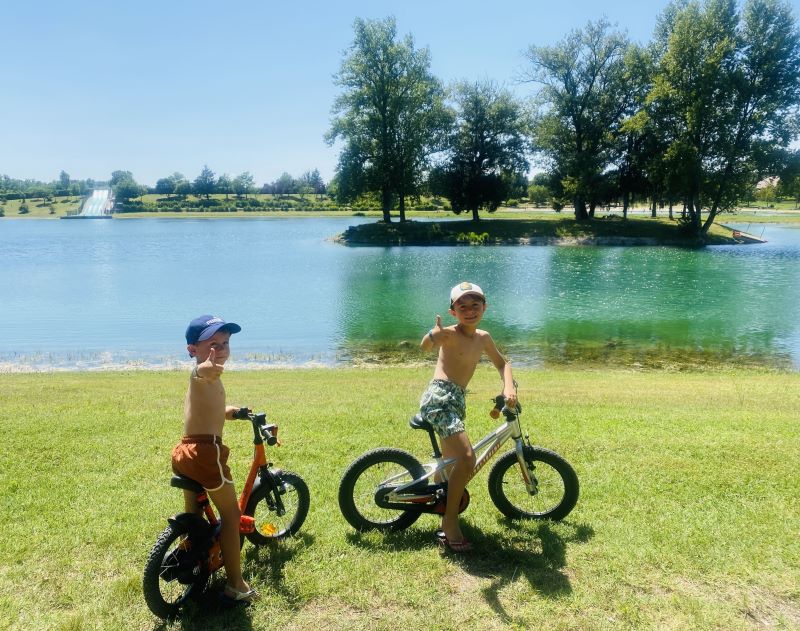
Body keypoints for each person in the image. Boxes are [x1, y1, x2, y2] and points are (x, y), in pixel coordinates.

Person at [419, 282, 517, 552]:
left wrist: (508, 386)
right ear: (453, 312)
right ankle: (450, 522)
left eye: (476, 305)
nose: (470, 311)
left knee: (452, 464)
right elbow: (425, 346)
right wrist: (432, 334)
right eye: (463, 306)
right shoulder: (448, 334)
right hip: (439, 398)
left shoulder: (483, 338)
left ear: (485, 307)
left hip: (457, 399)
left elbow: (503, 363)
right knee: (467, 458)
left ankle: (441, 500)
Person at [170, 315, 258, 603]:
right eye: (212, 344)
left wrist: (233, 412)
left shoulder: (210, 377)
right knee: (231, 516)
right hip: (207, 453)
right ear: (192, 350)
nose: (220, 349)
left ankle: (192, 556)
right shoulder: (202, 373)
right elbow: (199, 375)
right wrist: (204, 368)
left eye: (225, 343)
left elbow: (210, 409)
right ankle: (236, 584)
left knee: (192, 516)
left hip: (186, 452)